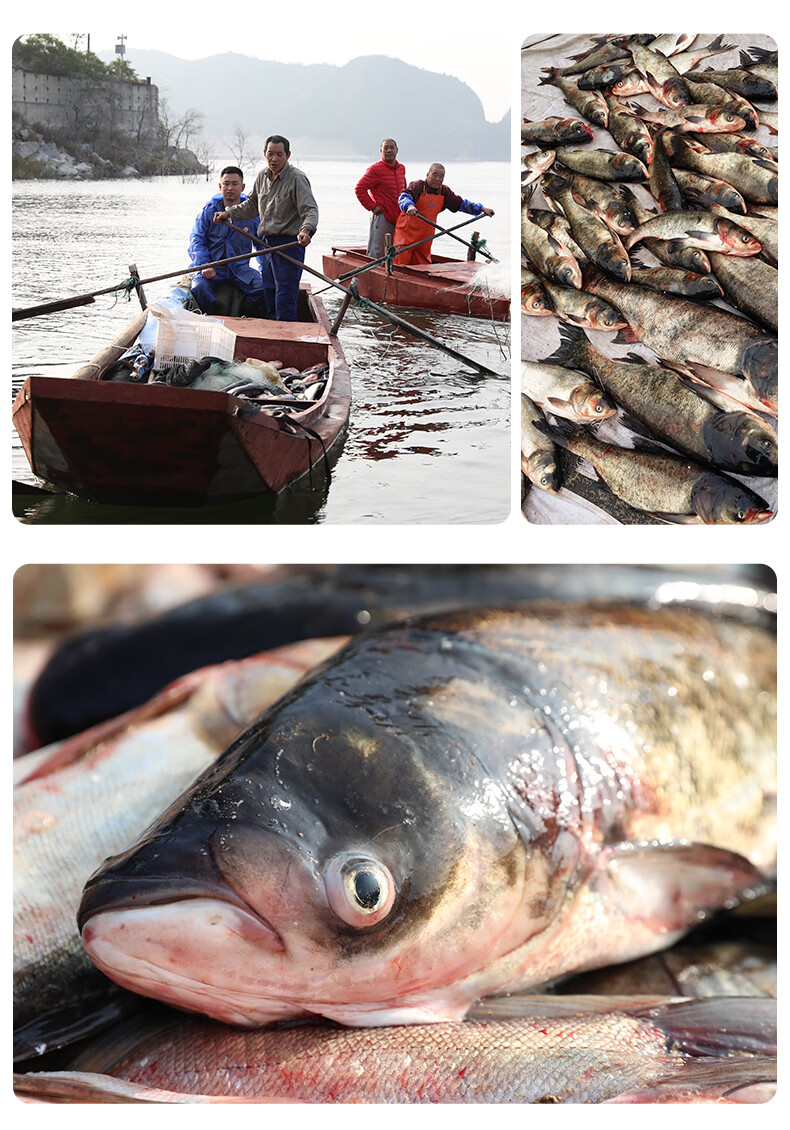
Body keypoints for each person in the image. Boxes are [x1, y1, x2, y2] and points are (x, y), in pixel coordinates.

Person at [213, 136, 318, 322]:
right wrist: (228, 214)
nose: (274, 159)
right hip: (266, 244)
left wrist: (306, 231)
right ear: (264, 154)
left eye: (279, 154)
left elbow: (310, 210)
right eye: (270, 154)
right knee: (269, 290)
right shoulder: (262, 176)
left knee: (285, 295)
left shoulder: (297, 178)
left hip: (289, 245)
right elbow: (252, 205)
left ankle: (286, 336)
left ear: (288, 155)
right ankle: (273, 331)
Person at [188, 166, 267, 317]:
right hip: (212, 268)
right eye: (226, 183)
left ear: (242, 187)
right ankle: (211, 317)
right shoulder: (208, 211)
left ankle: (244, 319)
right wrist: (205, 264)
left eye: (235, 184)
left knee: (263, 289)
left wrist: (266, 271)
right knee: (199, 289)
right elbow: (196, 240)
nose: (230, 188)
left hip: (240, 270)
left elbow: (262, 245)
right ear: (220, 186)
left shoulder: (251, 214)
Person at [393, 163, 494, 266]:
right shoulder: (417, 186)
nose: (438, 179)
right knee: (400, 262)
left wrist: (481, 208)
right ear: (428, 174)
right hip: (406, 235)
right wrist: (409, 206)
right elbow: (404, 197)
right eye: (435, 174)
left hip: (425, 238)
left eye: (441, 176)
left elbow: (462, 204)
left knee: (422, 265)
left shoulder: (444, 192)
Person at [354, 138, 406, 258]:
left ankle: (391, 274)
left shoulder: (401, 168)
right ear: (381, 151)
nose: (389, 151)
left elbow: (404, 188)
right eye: (386, 148)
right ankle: (371, 273)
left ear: (397, 150)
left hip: (399, 217)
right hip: (382, 216)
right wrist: (372, 207)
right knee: (377, 251)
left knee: (396, 250)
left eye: (391, 147)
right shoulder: (375, 169)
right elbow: (359, 188)